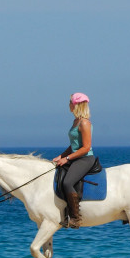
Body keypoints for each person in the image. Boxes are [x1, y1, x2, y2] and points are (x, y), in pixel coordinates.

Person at [51, 92, 96, 229]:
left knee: (67, 182)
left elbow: (86, 147)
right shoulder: (75, 122)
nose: (69, 105)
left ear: (77, 105)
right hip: (75, 157)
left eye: (71, 102)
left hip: (85, 159)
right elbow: (74, 144)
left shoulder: (84, 123)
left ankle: (76, 218)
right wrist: (61, 156)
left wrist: (67, 158)